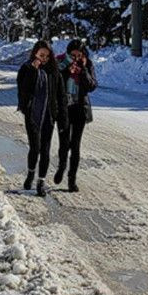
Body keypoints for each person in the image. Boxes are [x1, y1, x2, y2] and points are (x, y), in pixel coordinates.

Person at [17, 41, 67, 197]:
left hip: (49, 115)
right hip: (33, 115)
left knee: (45, 149)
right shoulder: (26, 68)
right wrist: (33, 70)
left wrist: (62, 116)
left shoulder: (54, 71)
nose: (44, 59)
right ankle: (31, 173)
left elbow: (61, 95)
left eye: (46, 56)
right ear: (35, 54)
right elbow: (23, 90)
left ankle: (41, 181)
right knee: (35, 147)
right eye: (41, 55)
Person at [54, 39, 97, 192]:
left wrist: (82, 70)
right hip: (63, 109)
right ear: (68, 53)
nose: (76, 58)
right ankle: (61, 167)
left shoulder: (87, 64)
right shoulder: (59, 62)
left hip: (80, 108)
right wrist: (67, 70)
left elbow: (92, 86)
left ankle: (72, 179)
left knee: (75, 145)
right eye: (73, 55)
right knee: (64, 143)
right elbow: (54, 81)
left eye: (79, 55)